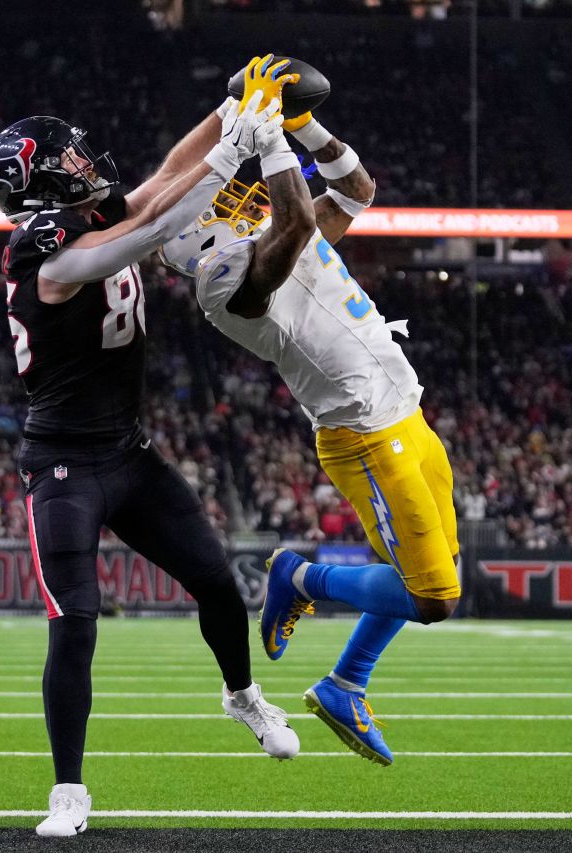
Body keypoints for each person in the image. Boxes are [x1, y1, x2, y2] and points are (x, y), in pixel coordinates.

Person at [0, 59, 300, 837]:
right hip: (63, 464)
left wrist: (233, 106)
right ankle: (67, 789)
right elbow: (157, 227)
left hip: (129, 451)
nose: (86, 163)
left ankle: (241, 694)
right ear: (40, 189)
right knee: (78, 623)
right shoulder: (43, 248)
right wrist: (234, 153)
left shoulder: (86, 215)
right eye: (69, 162)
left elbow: (160, 184)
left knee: (219, 583)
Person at [161, 97, 460, 767]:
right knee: (434, 596)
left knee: (439, 566)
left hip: (405, 413)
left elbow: (356, 189)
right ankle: (300, 578)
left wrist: (304, 126)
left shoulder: (278, 235)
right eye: (216, 203)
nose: (230, 198)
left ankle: (345, 683)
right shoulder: (221, 280)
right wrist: (269, 140)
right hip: (364, 437)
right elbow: (294, 218)